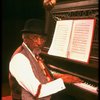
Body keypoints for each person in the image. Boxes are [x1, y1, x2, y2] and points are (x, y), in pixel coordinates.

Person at [9, 18, 82, 100]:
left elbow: (37, 73)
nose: (39, 42)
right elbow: (38, 91)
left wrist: (57, 75)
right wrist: (62, 80)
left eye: (42, 38)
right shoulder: (20, 59)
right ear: (25, 38)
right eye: (35, 38)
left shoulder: (33, 52)